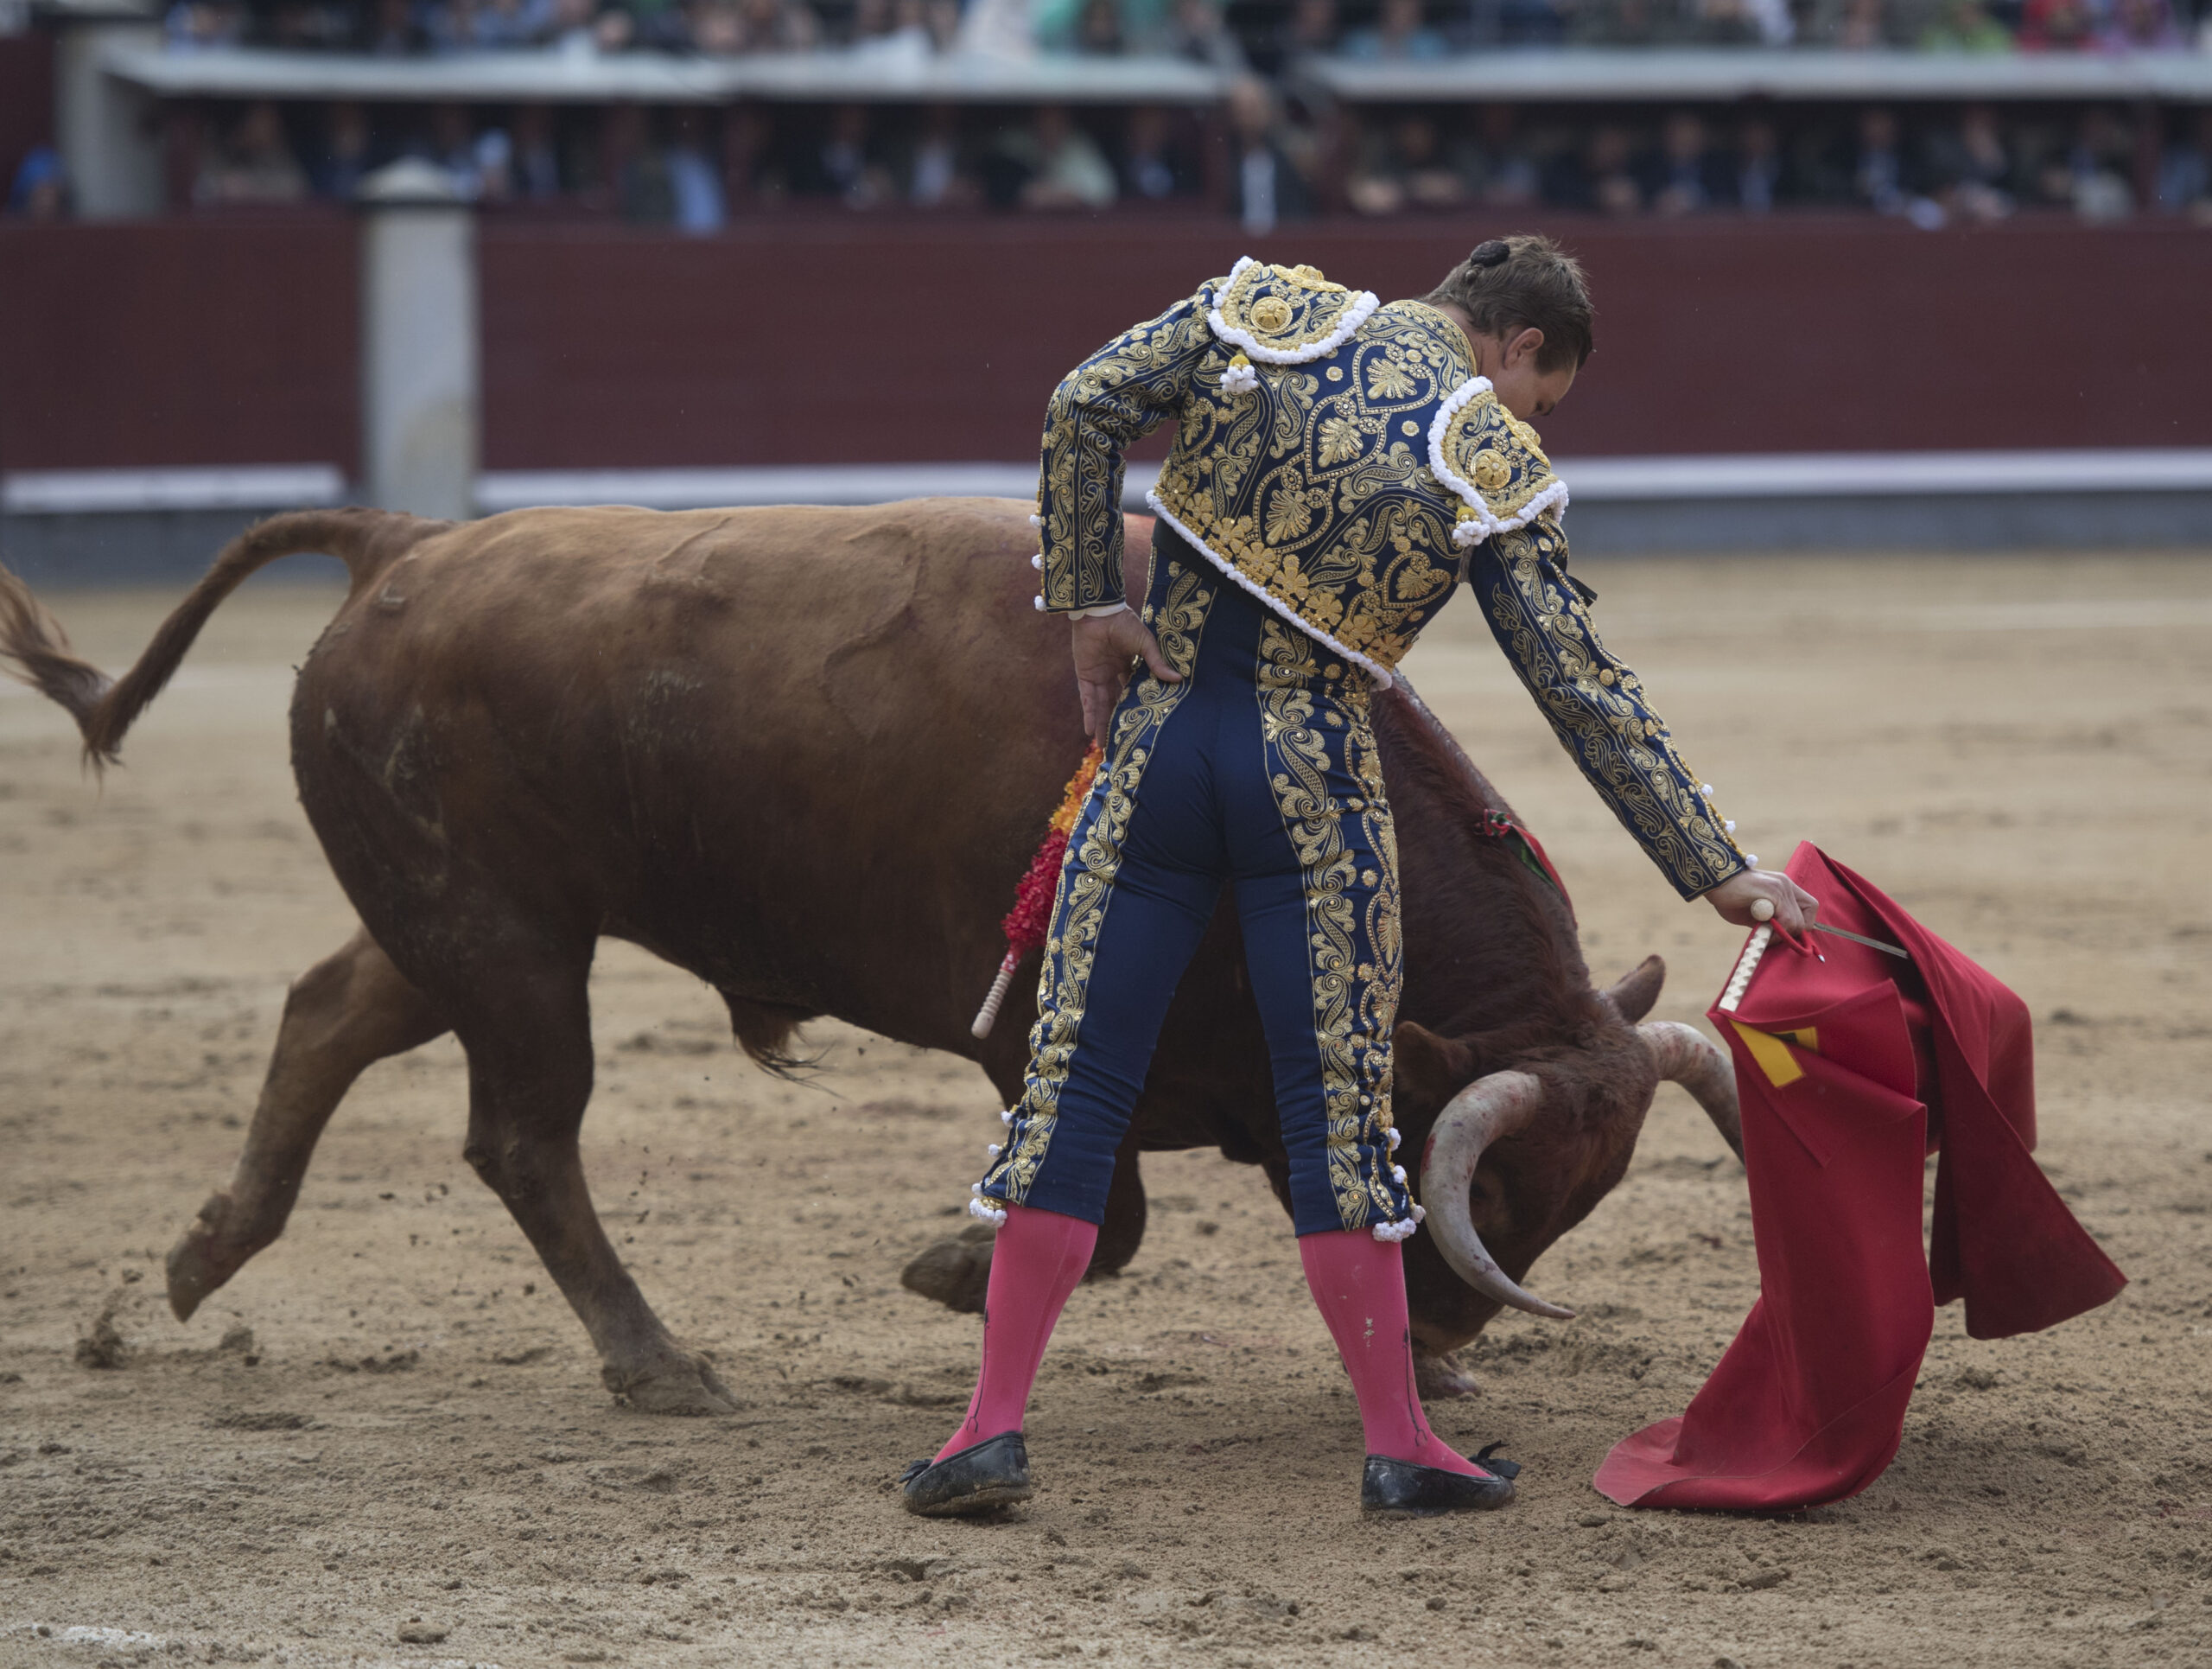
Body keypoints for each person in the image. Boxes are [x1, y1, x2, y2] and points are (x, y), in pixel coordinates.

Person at [899, 237, 1817, 1519]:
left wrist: (1092, 603)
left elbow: (1083, 403)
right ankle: (1400, 1444)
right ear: (1521, 346)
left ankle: (984, 1434)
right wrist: (1713, 867)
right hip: (1313, 785)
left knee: (1078, 1093)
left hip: (1158, 756)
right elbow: (1579, 687)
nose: (1528, 421)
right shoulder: (1484, 456)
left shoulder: (1268, 314)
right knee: (1333, 1119)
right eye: (1541, 397)